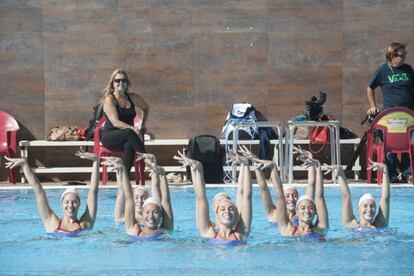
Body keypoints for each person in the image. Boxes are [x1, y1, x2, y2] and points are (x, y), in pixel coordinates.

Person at [4, 150, 99, 237]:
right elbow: (38, 191)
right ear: (61, 203)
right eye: (67, 202)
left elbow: (93, 190)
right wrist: (24, 165)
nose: (70, 205)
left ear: (79, 204)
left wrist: (95, 161)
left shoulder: (85, 223)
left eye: (74, 202)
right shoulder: (51, 222)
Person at [174, 149, 252, 244]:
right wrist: (198, 167)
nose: (227, 211)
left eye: (231, 208)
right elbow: (200, 197)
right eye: (222, 208)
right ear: (216, 212)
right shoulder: (209, 232)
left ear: (236, 213)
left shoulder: (241, 233)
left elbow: (246, 196)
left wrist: (246, 165)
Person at [367, 42, 414, 182]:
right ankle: (392, 175)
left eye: (405, 55)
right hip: (389, 116)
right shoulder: (382, 71)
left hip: (408, 115)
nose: (404, 58)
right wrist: (373, 106)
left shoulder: (408, 69)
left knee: (410, 144)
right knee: (389, 147)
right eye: (401, 55)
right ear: (392, 55)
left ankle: (408, 174)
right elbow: (370, 88)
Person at [103, 155, 173, 237]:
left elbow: (165, 200)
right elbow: (128, 197)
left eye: (155, 212)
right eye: (147, 212)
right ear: (142, 213)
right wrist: (123, 170)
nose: (150, 216)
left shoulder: (165, 230)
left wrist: (163, 175)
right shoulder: (134, 230)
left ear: (161, 215)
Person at [263, 154, 328, 238]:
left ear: (316, 211)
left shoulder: (320, 229)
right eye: (303, 208)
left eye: (311, 208)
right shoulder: (288, 230)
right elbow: (280, 196)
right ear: (296, 211)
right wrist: (273, 168)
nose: (307, 211)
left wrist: (318, 168)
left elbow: (320, 196)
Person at [100, 68, 148, 175]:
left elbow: (145, 108)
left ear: (127, 83)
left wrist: (142, 125)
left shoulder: (132, 97)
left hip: (127, 136)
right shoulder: (109, 99)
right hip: (110, 136)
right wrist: (133, 128)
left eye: (124, 80)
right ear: (112, 83)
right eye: (117, 80)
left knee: (129, 144)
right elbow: (115, 122)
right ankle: (148, 161)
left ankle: (124, 177)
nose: (121, 82)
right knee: (130, 133)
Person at [254, 147, 315, 226]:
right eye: (287, 196)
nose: (291, 199)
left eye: (294, 196)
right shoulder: (274, 213)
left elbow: (311, 184)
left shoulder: (303, 215)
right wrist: (256, 164)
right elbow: (263, 189)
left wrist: (311, 159)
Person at [332, 160, 390, 229]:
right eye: (365, 206)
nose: (369, 209)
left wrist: (385, 169)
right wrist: (340, 173)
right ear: (358, 209)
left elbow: (385, 198)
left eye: (372, 206)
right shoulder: (351, 224)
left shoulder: (380, 225)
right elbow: (346, 196)